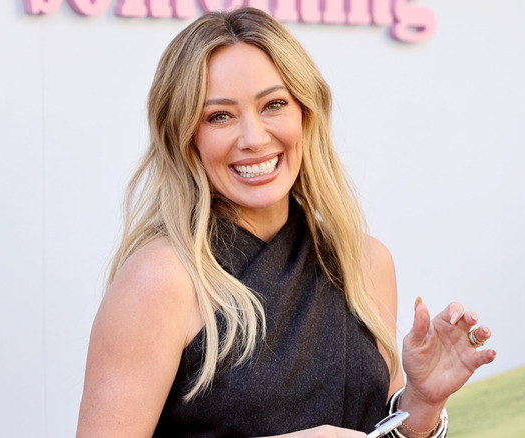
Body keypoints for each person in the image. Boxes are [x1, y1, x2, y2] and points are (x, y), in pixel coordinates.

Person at [76, 7, 495, 438]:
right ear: (185, 138)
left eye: (274, 105)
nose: (254, 138)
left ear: (305, 114)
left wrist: (421, 407)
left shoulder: (364, 262)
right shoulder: (161, 279)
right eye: (219, 115)